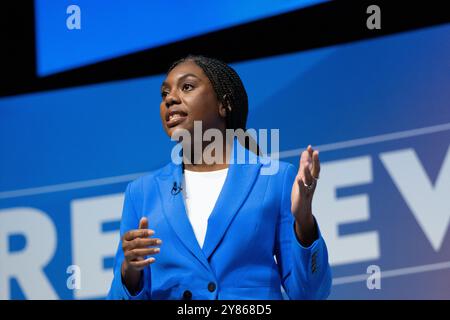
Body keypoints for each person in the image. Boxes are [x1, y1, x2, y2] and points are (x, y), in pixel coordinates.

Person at [107, 55, 332, 300]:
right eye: (164, 94)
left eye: (187, 87)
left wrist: (304, 223)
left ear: (224, 104)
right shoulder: (141, 193)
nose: (170, 98)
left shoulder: (275, 179)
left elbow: (311, 294)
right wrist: (130, 271)